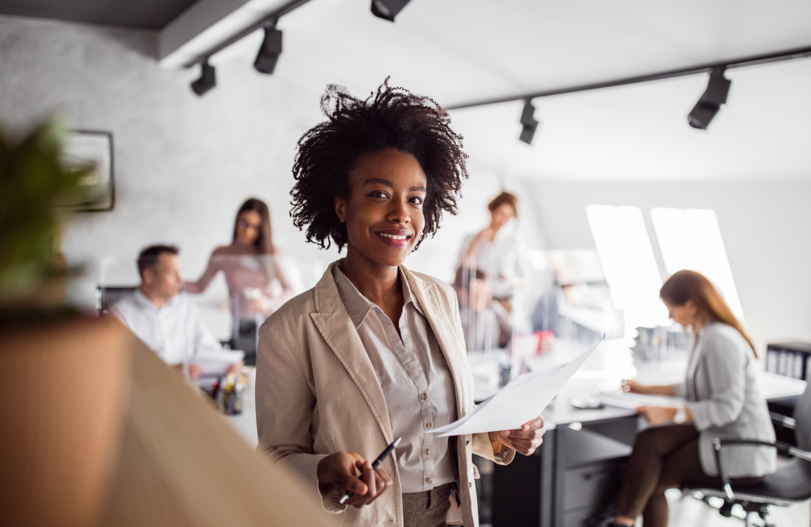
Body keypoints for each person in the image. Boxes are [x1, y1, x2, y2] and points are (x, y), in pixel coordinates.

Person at [255, 81, 546, 527]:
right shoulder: (289, 329)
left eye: (414, 199)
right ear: (340, 204)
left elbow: (441, 425)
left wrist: (499, 433)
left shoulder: (442, 299)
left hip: (452, 514)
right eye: (378, 194)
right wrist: (324, 470)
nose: (401, 215)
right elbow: (274, 458)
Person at [609, 270, 776, 527]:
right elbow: (692, 387)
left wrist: (670, 414)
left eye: (671, 308)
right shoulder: (703, 334)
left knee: (649, 479)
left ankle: (623, 521)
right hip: (717, 432)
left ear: (690, 304)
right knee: (648, 442)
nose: (669, 316)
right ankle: (624, 521)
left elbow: (727, 408)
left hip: (738, 447)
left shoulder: (720, 340)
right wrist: (647, 388)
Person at [111, 245, 242, 379]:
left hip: (188, 392)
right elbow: (116, 368)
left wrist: (226, 364)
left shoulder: (186, 307)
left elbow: (208, 347)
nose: (180, 280)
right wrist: (165, 372)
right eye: (172, 273)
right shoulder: (120, 315)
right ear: (149, 276)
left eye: (180, 272)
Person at [185, 198, 292, 354]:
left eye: (256, 227)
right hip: (241, 324)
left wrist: (269, 303)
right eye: (244, 223)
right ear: (237, 221)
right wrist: (174, 283)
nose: (248, 231)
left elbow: (290, 291)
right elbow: (200, 287)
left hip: (271, 323)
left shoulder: (271, 253)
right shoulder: (222, 254)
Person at [457, 191, 522, 309]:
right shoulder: (471, 239)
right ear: (491, 211)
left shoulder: (513, 243)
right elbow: (462, 271)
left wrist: (509, 279)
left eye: (508, 216)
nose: (503, 220)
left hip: (504, 301)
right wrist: (476, 243)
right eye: (501, 214)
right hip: (477, 302)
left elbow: (523, 280)